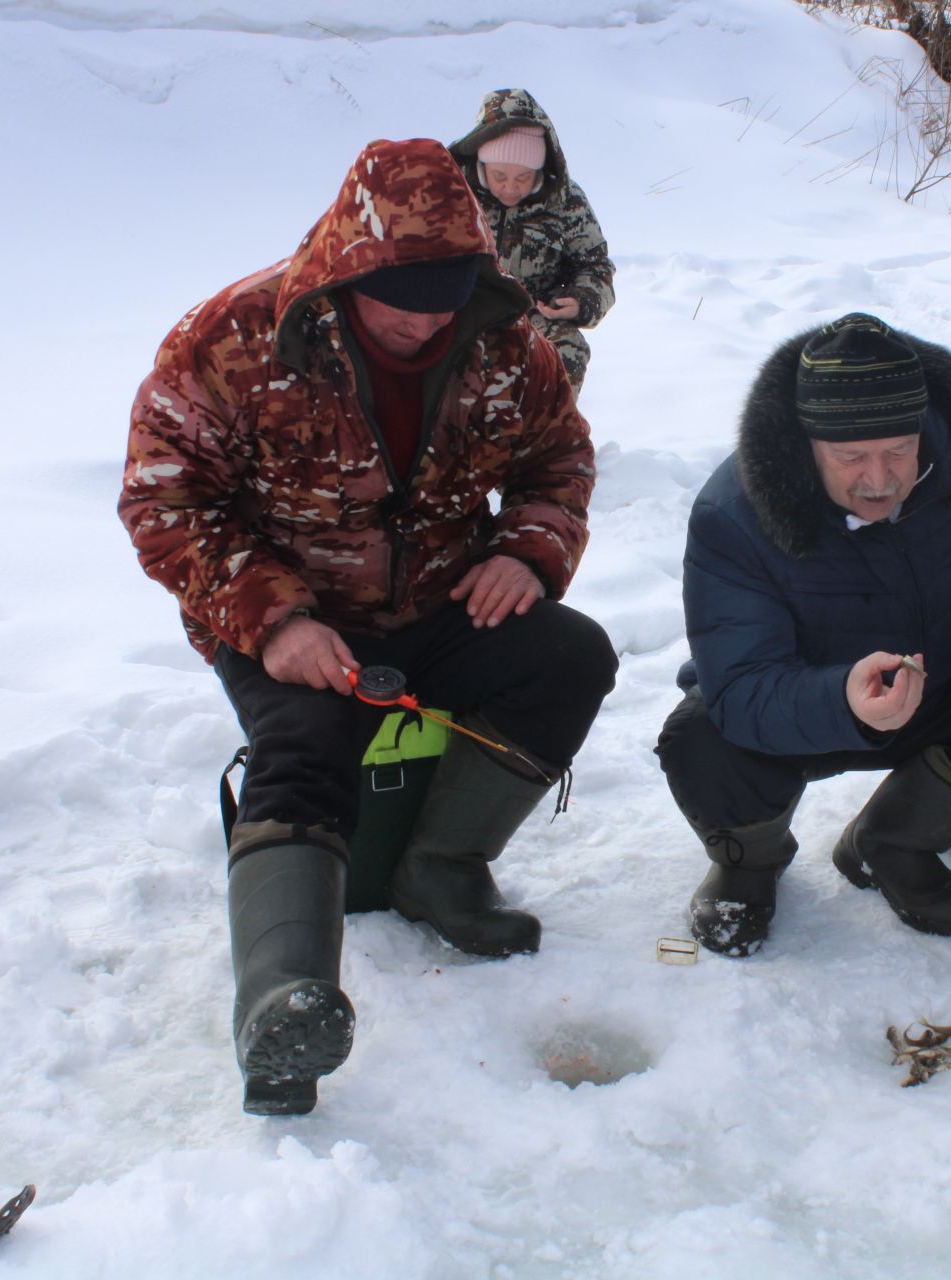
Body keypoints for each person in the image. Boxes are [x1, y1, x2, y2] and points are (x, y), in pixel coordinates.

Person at [120, 138, 618, 1115]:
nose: (425, 319)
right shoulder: (232, 336)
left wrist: (525, 549)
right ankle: (283, 1003)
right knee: (303, 740)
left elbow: (560, 457)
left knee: (570, 659)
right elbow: (164, 500)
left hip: (440, 597)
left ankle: (443, 869)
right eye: (402, 297)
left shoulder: (499, 336)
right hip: (289, 611)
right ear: (348, 270)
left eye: (446, 295)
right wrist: (272, 620)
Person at [655, 313, 951, 957]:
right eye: (851, 458)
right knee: (701, 740)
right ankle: (749, 864)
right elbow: (742, 685)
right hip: (804, 704)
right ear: (808, 443)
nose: (879, 480)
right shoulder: (735, 512)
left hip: (938, 689)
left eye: (898, 451)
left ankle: (891, 843)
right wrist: (841, 700)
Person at [450, 89, 615, 393]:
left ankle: (549, 436)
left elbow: (595, 266)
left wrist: (581, 300)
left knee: (567, 348)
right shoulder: (451, 191)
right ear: (480, 162)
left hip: (529, 317)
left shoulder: (565, 200)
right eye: (499, 175)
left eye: (523, 177)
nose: (510, 187)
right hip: (455, 314)